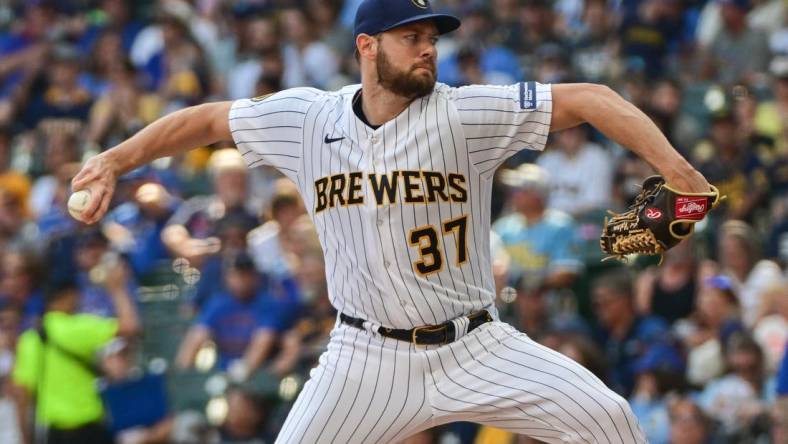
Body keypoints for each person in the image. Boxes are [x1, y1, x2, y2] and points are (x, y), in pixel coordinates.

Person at [70, 1, 713, 442]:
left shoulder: (465, 114)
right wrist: (115, 159)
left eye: (432, 38)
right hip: (365, 356)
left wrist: (678, 170)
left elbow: (595, 99)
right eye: (413, 37)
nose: (428, 49)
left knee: (610, 418)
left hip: (476, 345)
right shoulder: (308, 119)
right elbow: (209, 120)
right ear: (367, 45)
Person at [10, 267, 139, 444]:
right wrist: (117, 289)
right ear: (68, 296)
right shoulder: (77, 328)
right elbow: (130, 327)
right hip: (89, 428)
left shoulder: (29, 339)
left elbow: (22, 395)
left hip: (54, 433)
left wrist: (25, 438)